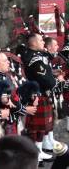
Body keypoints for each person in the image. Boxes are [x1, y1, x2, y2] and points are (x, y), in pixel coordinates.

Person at [21, 33, 64, 163]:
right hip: (37, 95)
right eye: (41, 40)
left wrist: (53, 76)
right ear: (33, 43)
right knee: (36, 127)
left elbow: (47, 70)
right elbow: (46, 80)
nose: (43, 43)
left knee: (44, 124)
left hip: (43, 93)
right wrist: (58, 80)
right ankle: (36, 152)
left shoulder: (38, 55)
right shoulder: (33, 59)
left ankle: (42, 147)